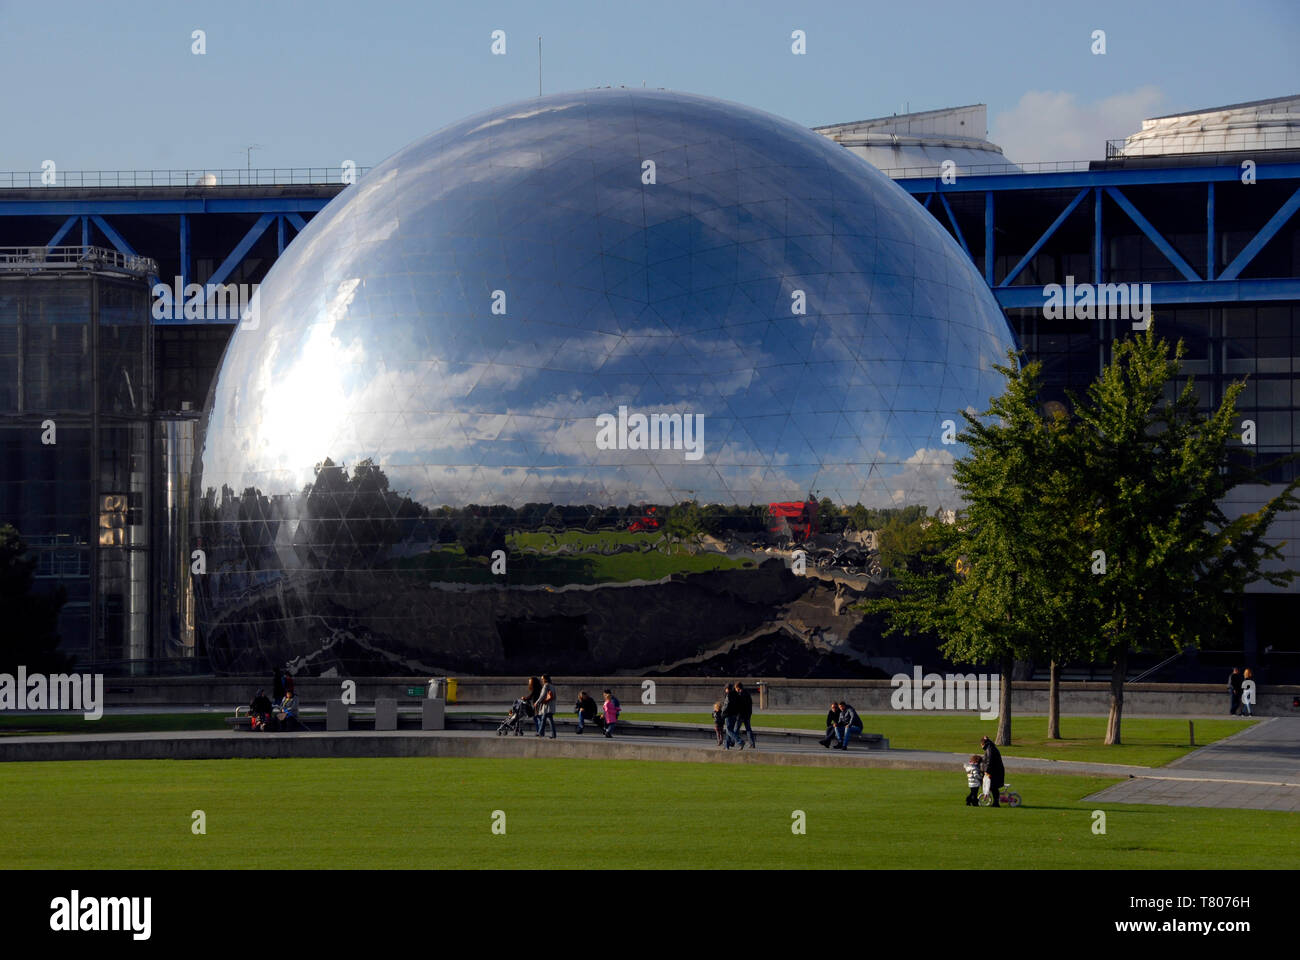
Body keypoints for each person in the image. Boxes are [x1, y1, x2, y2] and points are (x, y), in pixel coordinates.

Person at [980, 735, 1005, 807]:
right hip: (996, 771)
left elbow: (989, 761)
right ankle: (996, 802)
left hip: (994, 772)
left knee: (994, 787)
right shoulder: (990, 746)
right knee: (994, 787)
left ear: (983, 744)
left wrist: (987, 771)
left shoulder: (989, 749)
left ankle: (996, 803)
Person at [720, 683, 744, 750]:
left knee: (729, 730)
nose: (725, 690)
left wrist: (722, 714)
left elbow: (726, 705)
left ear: (727, 689)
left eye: (726, 689)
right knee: (729, 730)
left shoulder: (729, 695)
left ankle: (740, 741)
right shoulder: (736, 694)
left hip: (728, 714)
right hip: (734, 715)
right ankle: (727, 746)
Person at [734, 680, 757, 749]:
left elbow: (739, 705)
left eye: (736, 688)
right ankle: (752, 744)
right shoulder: (747, 693)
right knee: (748, 729)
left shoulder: (740, 695)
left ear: (738, 688)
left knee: (735, 730)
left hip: (741, 715)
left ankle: (738, 742)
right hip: (747, 714)